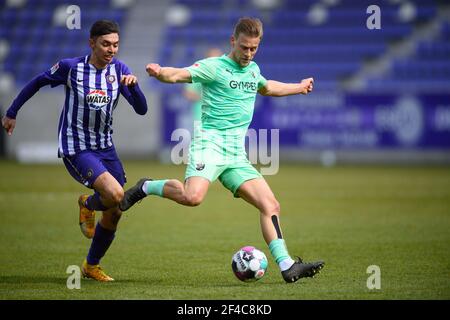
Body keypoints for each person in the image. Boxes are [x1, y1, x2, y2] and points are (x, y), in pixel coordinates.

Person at [120, 17, 324, 283]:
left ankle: (287, 266)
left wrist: (299, 87)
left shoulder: (252, 70)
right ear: (233, 41)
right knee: (193, 197)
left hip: (235, 154)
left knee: (270, 204)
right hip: (210, 145)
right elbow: (181, 74)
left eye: (253, 48)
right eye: (244, 47)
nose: (248, 54)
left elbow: (268, 87)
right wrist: (160, 73)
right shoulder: (214, 67)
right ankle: (146, 186)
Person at [1, 20, 148, 282]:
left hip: (106, 147)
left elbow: (141, 109)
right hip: (76, 146)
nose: (111, 49)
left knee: (115, 210)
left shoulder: (119, 70)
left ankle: (91, 266)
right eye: (105, 44)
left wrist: (134, 87)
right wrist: (12, 111)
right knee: (115, 195)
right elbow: (37, 81)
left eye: (115, 44)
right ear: (91, 43)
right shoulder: (71, 68)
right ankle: (88, 203)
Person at [183, 47, 223, 123]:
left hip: (220, 120)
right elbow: (188, 93)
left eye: (218, 59)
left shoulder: (225, 74)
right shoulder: (200, 73)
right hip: (202, 118)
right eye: (212, 59)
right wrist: (206, 97)